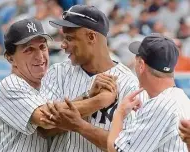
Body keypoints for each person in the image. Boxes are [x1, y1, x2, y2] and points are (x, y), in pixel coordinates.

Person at [0, 18, 117, 152]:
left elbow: (59, 118)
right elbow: (46, 119)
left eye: (42, 47)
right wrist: (100, 101)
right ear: (10, 58)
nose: (39, 56)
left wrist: (87, 95)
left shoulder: (48, 84)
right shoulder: (10, 85)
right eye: (29, 50)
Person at [39, 5, 147, 152]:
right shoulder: (57, 72)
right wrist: (92, 99)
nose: (63, 45)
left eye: (69, 38)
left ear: (91, 37)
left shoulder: (128, 83)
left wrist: (80, 126)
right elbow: (43, 129)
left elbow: (128, 147)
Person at [108, 33, 190, 152]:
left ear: (141, 65)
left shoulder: (161, 104)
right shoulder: (181, 97)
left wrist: (119, 114)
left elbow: (114, 150)